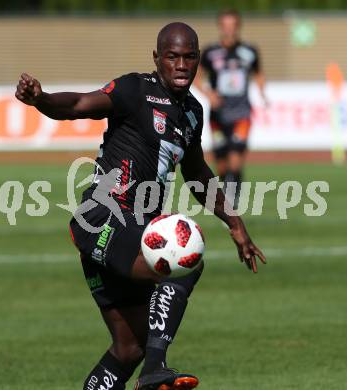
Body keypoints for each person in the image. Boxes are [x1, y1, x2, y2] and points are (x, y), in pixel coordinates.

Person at [15, 22, 266, 390]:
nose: (182, 65)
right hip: (103, 219)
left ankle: (147, 365)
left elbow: (196, 172)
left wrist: (235, 222)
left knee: (128, 347)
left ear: (198, 60)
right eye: (172, 57)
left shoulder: (193, 112)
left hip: (135, 232)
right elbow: (80, 104)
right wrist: (42, 99)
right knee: (184, 259)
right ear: (157, 59)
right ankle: (155, 369)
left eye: (189, 57)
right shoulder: (135, 89)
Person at [194, 9, 268, 207]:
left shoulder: (249, 52)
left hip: (242, 113)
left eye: (233, 26)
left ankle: (232, 197)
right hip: (218, 116)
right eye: (225, 26)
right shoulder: (210, 52)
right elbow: (197, 77)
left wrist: (262, 91)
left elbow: (259, 73)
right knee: (221, 164)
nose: (229, 31)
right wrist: (209, 95)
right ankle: (228, 189)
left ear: (238, 27)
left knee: (235, 158)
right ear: (220, 27)